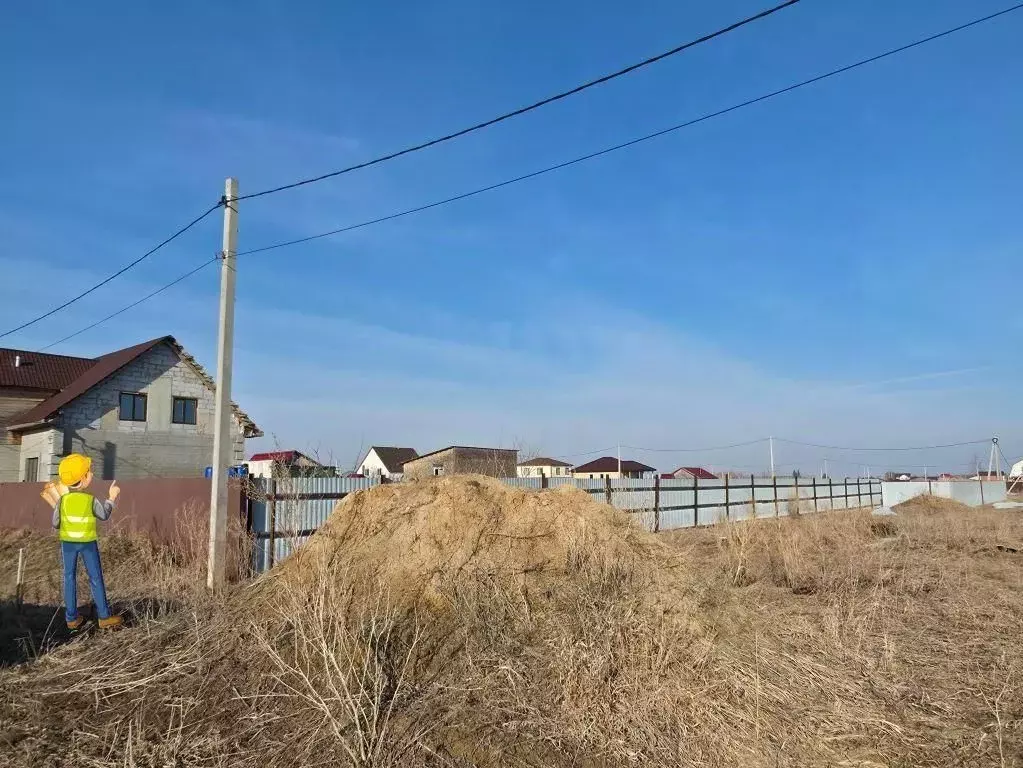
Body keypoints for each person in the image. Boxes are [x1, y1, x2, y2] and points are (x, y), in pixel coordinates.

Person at [51, 453, 123, 630]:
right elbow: (104, 515)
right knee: (95, 577)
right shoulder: (90, 500)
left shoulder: (62, 501)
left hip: (67, 544)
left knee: (69, 578)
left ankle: (71, 618)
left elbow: (55, 523)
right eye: (89, 471)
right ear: (83, 478)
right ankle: (104, 617)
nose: (91, 474)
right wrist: (112, 497)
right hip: (88, 543)